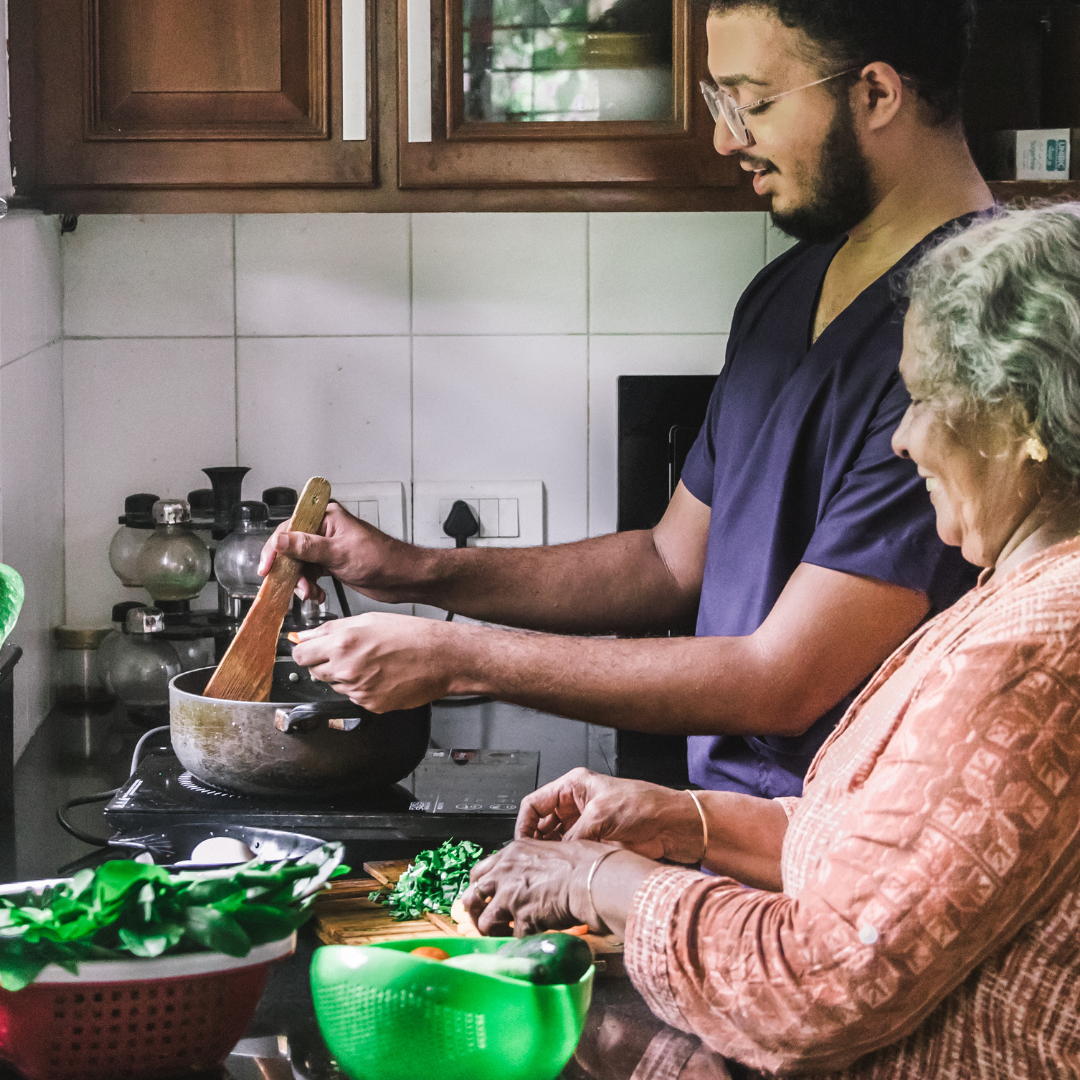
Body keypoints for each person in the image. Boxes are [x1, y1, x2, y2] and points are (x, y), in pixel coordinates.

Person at [264, 0, 989, 799]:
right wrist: (412, 570)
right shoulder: (785, 290)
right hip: (727, 829)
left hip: (859, 843)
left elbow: (784, 680)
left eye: (753, 102)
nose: (726, 139)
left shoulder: (984, 339)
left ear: (876, 94)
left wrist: (458, 658)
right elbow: (668, 562)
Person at [460, 203, 1080, 1078]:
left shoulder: (1037, 651)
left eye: (924, 400)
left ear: (1020, 422)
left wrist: (594, 881)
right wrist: (682, 818)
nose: (903, 440)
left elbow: (820, 981)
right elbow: (888, 859)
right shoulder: (1021, 595)